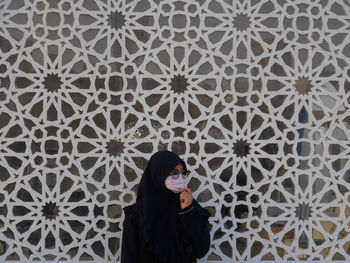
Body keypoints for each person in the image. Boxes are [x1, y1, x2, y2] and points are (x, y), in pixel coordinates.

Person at [121, 150, 211, 263]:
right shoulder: (137, 214)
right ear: (158, 174)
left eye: (183, 173)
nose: (180, 179)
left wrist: (188, 212)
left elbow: (201, 250)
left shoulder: (188, 206)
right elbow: (129, 257)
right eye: (174, 173)